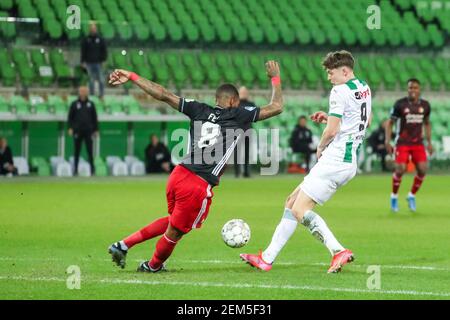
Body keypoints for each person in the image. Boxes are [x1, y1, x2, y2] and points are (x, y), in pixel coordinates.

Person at [107, 61, 283, 273]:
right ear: (234, 101)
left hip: (178, 175)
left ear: (216, 100)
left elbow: (162, 94)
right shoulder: (239, 114)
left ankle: (123, 245)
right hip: (197, 184)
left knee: (173, 222)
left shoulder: (198, 108)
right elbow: (277, 106)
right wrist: (275, 77)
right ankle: (153, 266)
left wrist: (133, 76)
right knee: (176, 232)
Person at [241, 50, 371, 273]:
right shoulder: (364, 87)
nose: (329, 78)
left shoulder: (338, 91)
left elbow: (332, 130)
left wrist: (320, 146)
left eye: (331, 73)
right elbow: (365, 120)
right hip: (348, 161)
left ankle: (338, 250)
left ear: (344, 71)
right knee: (291, 202)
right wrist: (329, 119)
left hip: (335, 159)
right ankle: (267, 258)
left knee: (300, 209)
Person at [385, 78, 432, 213]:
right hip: (402, 142)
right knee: (400, 169)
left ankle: (411, 196)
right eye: (410, 88)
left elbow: (427, 123)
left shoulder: (425, 105)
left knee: (423, 169)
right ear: (407, 89)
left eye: (415, 88)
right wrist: (387, 141)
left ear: (419, 89)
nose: (412, 90)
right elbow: (390, 123)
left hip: (418, 143)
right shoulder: (400, 104)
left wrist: (429, 143)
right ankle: (394, 197)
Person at [67, 86, 99, 176]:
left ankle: (92, 170)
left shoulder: (91, 104)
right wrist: (70, 128)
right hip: (77, 130)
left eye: (85, 91)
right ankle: (76, 170)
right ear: (79, 92)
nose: (83, 92)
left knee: (90, 151)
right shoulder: (74, 104)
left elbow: (94, 118)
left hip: (88, 130)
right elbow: (70, 117)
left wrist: (96, 129)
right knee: (76, 151)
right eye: (82, 91)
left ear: (87, 92)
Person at [81, 22, 107, 98]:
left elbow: (104, 50)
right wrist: (82, 61)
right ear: (89, 29)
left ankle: (101, 95)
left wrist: (104, 60)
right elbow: (83, 51)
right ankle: (92, 95)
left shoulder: (100, 39)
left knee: (101, 80)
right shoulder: (86, 40)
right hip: (89, 63)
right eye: (91, 29)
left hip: (98, 63)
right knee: (91, 80)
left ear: (96, 29)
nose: (93, 30)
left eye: (94, 28)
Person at [234, 86, 255, 178]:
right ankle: (237, 172)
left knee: (247, 153)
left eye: (245, 92)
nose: (244, 94)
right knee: (237, 153)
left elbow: (253, 116)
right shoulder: (235, 103)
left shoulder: (251, 104)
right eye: (242, 92)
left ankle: (246, 172)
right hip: (237, 131)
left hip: (248, 130)